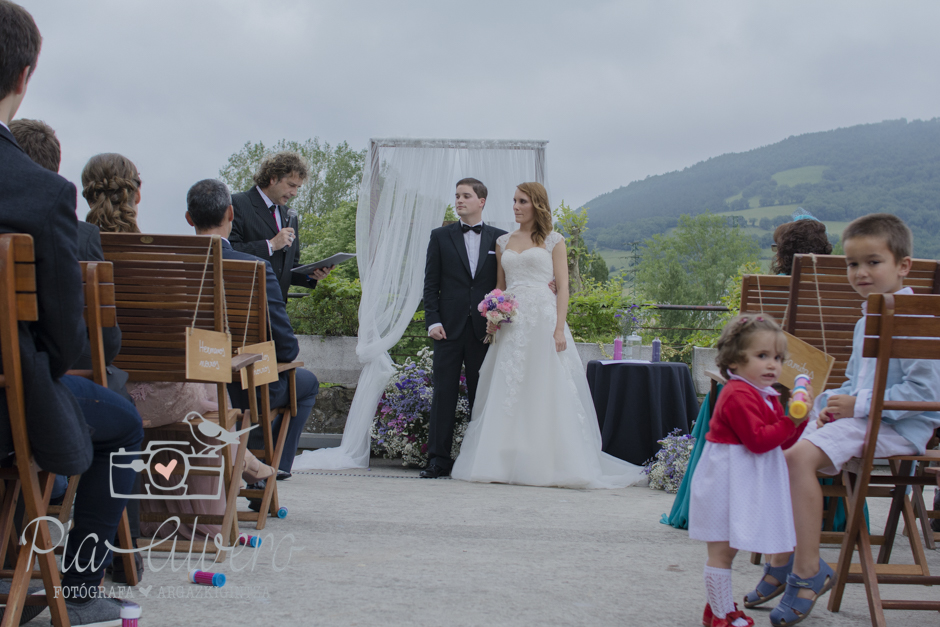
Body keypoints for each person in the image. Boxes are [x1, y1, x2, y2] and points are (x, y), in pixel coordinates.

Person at [0, 3, 143, 624]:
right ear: (25, 75)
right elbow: (65, 339)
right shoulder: (37, 192)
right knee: (122, 422)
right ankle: (80, 591)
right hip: (8, 405)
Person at [757, 214, 940, 626]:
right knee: (776, 442)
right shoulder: (867, 319)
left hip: (895, 428)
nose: (860, 272)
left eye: (873, 262)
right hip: (865, 421)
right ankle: (783, 556)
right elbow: (857, 383)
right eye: (852, 264)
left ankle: (807, 571)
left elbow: (926, 397)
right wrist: (828, 403)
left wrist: (855, 405)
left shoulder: (915, 320)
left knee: (797, 458)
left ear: (903, 266)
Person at [450, 182, 646, 488]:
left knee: (544, 386)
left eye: (522, 201)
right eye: (514, 200)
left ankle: (548, 460)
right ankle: (504, 461)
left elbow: (563, 286)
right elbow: (500, 289)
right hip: (512, 323)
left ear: (536, 205)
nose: (515, 206)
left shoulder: (554, 240)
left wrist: (558, 327)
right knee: (511, 388)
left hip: (543, 319)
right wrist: (493, 315)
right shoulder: (503, 241)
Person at [186, 178, 320, 503]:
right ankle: (272, 471)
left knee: (258, 381)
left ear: (189, 219)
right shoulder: (256, 268)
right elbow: (286, 348)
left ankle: (257, 464)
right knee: (301, 382)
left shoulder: (169, 265)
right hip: (239, 387)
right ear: (231, 214)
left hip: (187, 382)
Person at [688, 315, 809, 627]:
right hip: (726, 482)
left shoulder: (762, 394)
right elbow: (758, 440)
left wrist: (801, 422)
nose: (773, 365)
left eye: (778, 358)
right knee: (722, 553)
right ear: (735, 361)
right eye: (762, 356)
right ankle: (720, 615)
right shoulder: (738, 394)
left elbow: (779, 441)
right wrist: (790, 422)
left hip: (740, 482)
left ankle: (720, 609)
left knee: (728, 551)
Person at [420, 178, 507, 478]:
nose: (459, 200)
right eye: (456, 196)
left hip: (485, 330)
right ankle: (437, 460)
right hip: (447, 328)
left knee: (481, 396)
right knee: (443, 394)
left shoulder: (500, 238)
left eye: (465, 196)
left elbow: (509, 282)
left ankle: (478, 460)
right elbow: (430, 285)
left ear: (481, 201)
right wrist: (432, 320)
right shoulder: (440, 236)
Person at [229, 151, 332, 303]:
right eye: (291, 185)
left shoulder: (289, 215)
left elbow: (287, 267)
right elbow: (228, 251)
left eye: (298, 187)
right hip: (244, 305)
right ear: (273, 178)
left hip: (277, 308)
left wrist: (310, 274)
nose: (295, 193)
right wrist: (270, 245)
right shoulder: (237, 203)